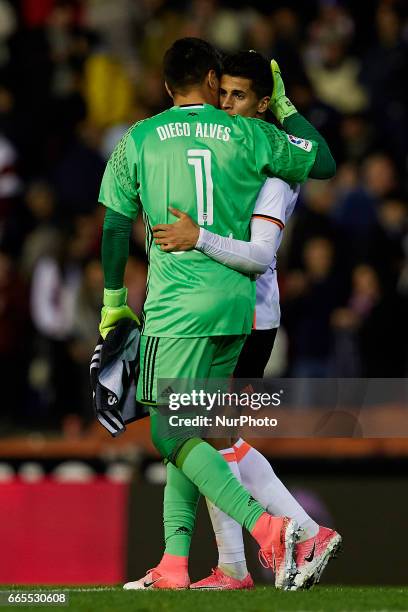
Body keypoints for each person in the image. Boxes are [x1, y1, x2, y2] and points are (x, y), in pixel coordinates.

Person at [98, 37, 335, 591]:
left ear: (163, 86)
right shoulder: (252, 135)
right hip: (237, 306)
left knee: (171, 434)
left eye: (239, 93)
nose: (227, 99)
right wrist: (285, 111)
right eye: (223, 89)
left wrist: (114, 305)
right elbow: (321, 160)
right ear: (209, 81)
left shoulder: (141, 137)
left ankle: (275, 527)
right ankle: (181, 563)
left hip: (178, 308)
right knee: (198, 431)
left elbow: (114, 225)